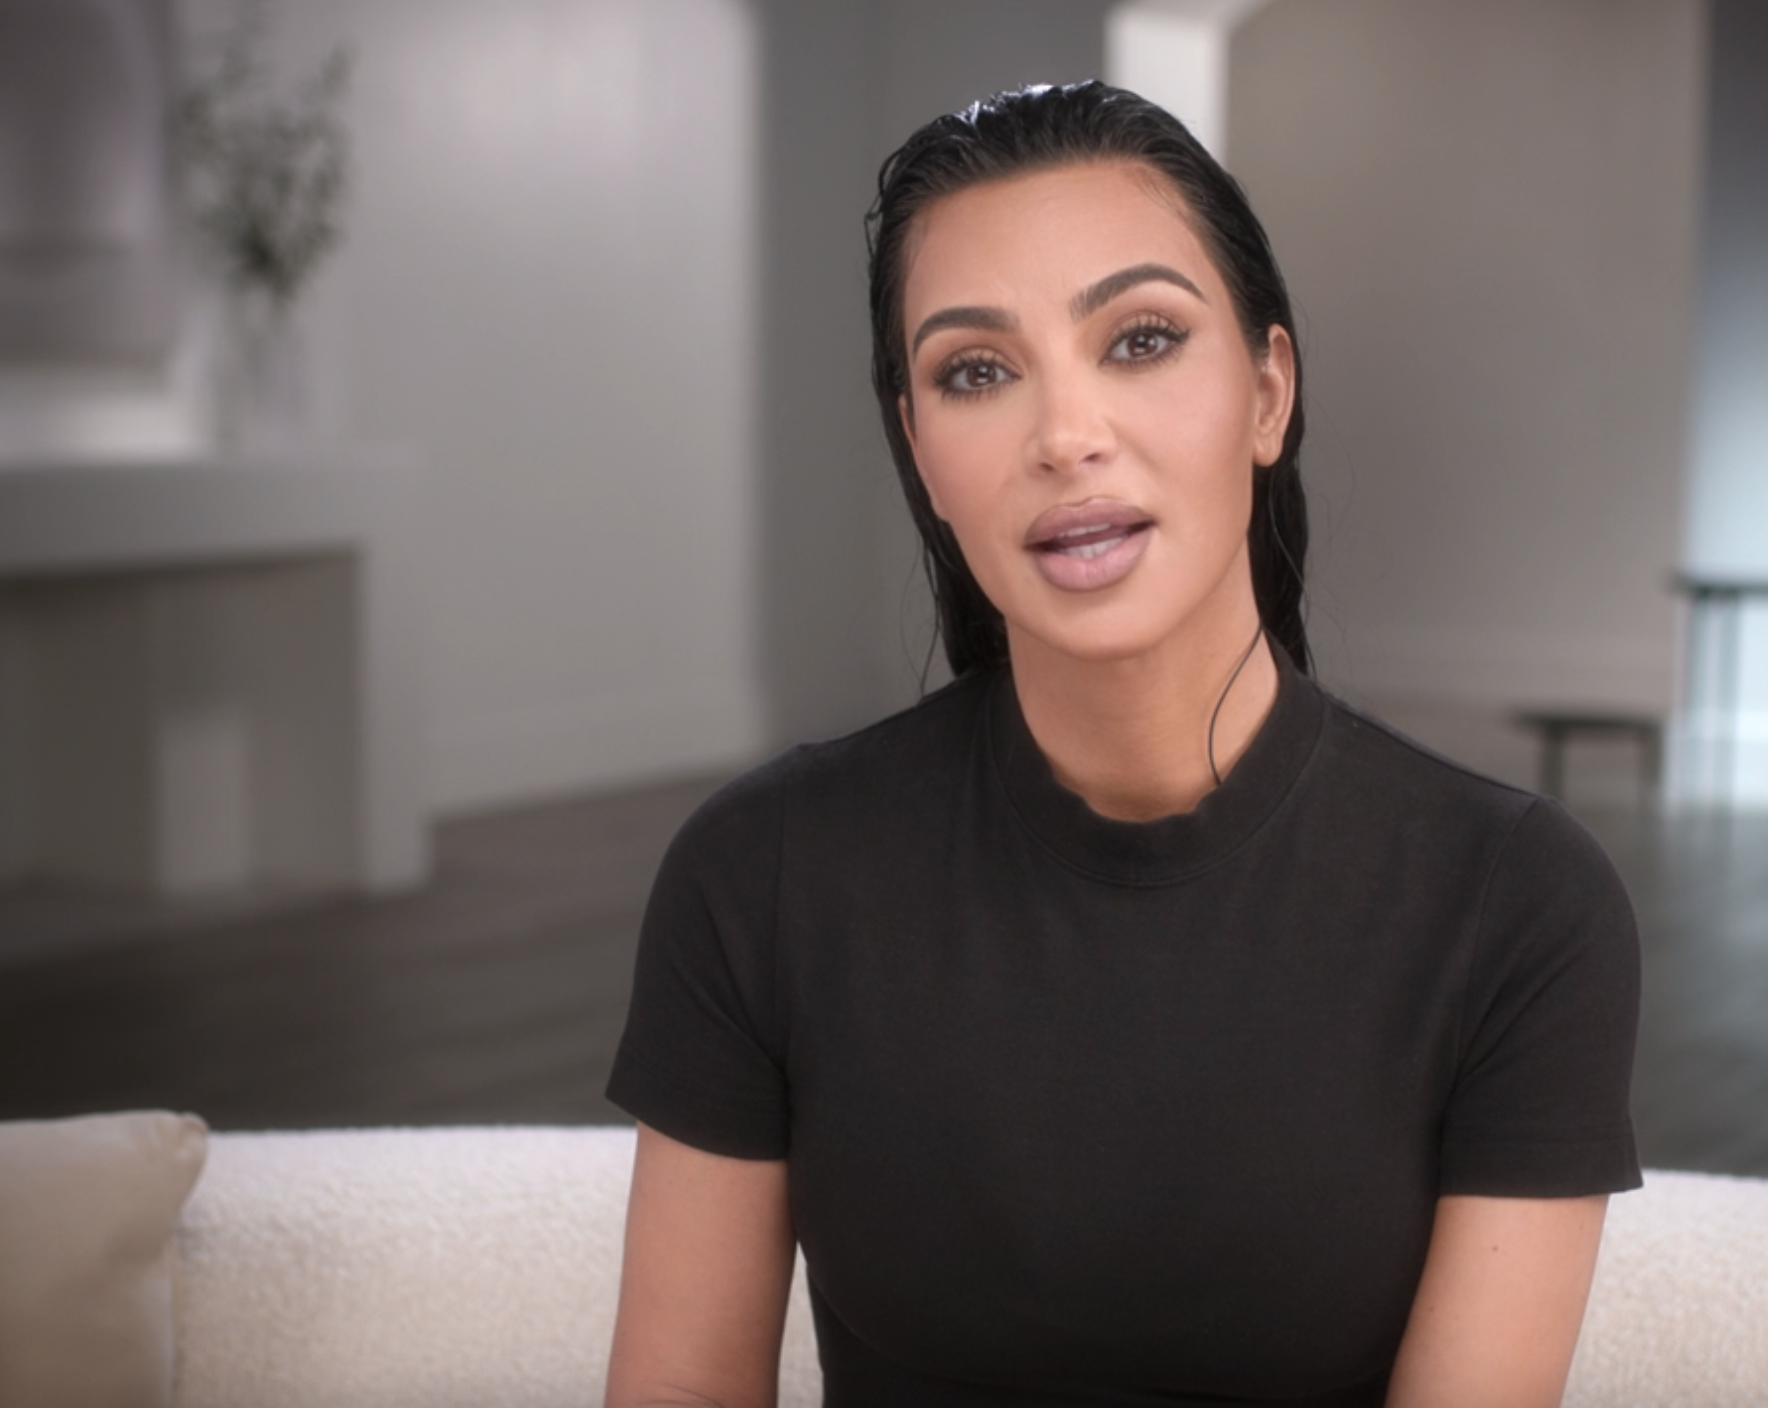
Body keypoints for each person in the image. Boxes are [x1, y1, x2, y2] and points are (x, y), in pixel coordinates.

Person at [604, 81, 1640, 1408]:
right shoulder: (759, 879)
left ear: (1268, 393)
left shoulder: (1517, 904)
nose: (1066, 437)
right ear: (921, 452)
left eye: (1141, 339)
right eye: (976, 371)